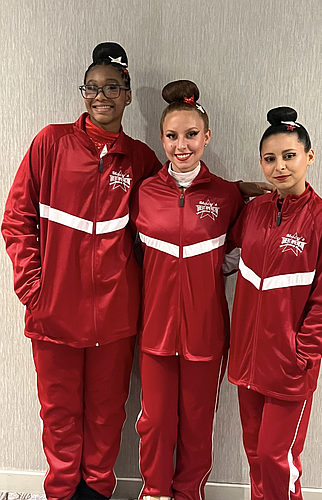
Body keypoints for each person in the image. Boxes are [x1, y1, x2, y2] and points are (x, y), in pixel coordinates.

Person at [1, 42, 162, 500]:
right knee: (59, 411)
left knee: (107, 412)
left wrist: (233, 193)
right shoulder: (50, 142)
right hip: (54, 312)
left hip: (115, 316)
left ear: (128, 95)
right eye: (92, 87)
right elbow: (17, 220)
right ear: (83, 94)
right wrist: (34, 288)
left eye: (113, 87)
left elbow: (172, 209)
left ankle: (97, 492)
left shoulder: (141, 159)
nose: (101, 95)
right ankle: (62, 493)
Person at [131, 80, 246, 500]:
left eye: (192, 135)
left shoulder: (226, 195)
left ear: (207, 136)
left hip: (205, 333)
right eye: (173, 136)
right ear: (161, 138)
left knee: (198, 425)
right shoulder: (144, 192)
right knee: (156, 422)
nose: (182, 146)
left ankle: (188, 494)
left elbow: (236, 252)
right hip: (155, 332)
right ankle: (156, 492)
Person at [228, 107, 322, 500]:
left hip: (289, 366)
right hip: (247, 359)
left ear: (309, 157)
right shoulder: (255, 211)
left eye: (289, 156)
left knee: (280, 458)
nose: (280, 166)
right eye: (270, 158)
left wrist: (302, 355)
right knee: (256, 454)